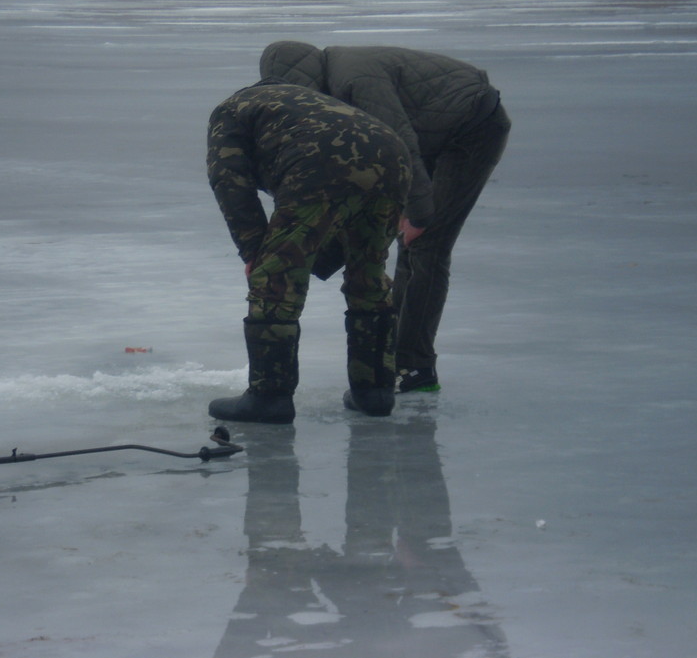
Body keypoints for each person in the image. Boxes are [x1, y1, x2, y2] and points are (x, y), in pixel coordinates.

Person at [259, 41, 511, 393]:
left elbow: (400, 141)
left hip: (473, 129)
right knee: (406, 243)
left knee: (426, 245)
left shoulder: (354, 80)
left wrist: (419, 214)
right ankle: (392, 358)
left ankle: (415, 366)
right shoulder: (333, 88)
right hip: (434, 130)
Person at [206, 79, 412, 424]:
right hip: (393, 158)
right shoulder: (309, 103)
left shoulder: (229, 111)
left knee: (275, 281)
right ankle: (374, 391)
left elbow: (229, 179)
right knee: (369, 272)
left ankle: (269, 396)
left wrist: (254, 252)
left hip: (319, 163)